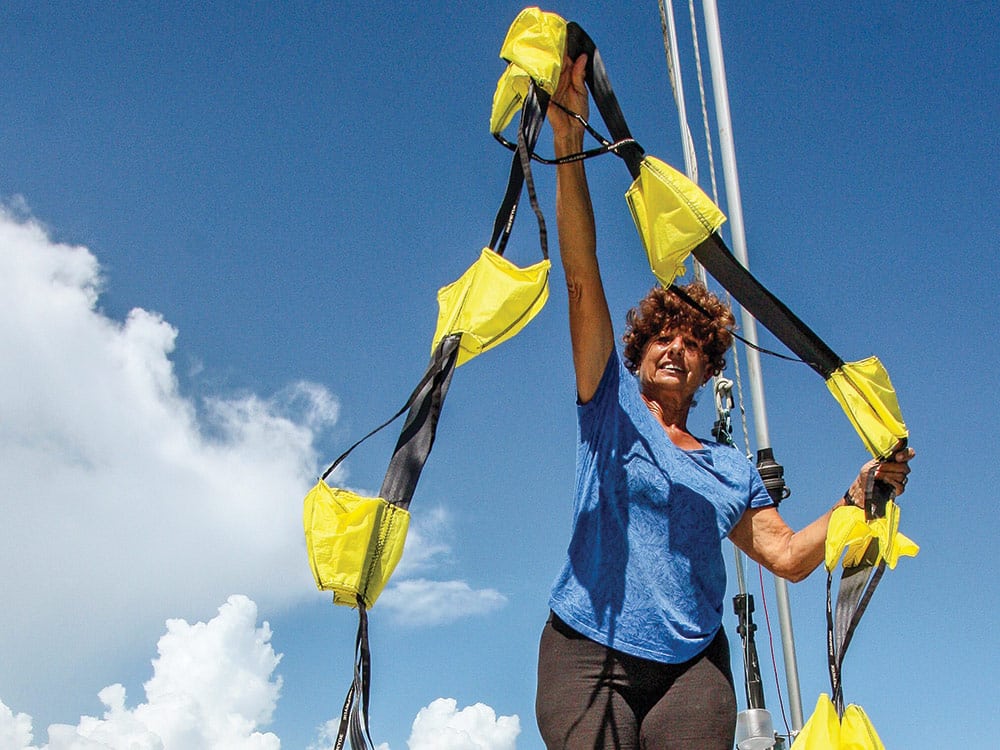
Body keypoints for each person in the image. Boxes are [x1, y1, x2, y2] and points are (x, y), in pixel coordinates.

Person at [534, 54, 915, 750]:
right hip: (590, 650)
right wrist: (568, 143)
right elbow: (583, 280)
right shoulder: (606, 409)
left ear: (708, 367)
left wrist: (857, 497)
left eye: (693, 345)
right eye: (662, 339)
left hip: (691, 667)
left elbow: (792, 557)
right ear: (639, 352)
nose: (675, 349)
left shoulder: (729, 469)